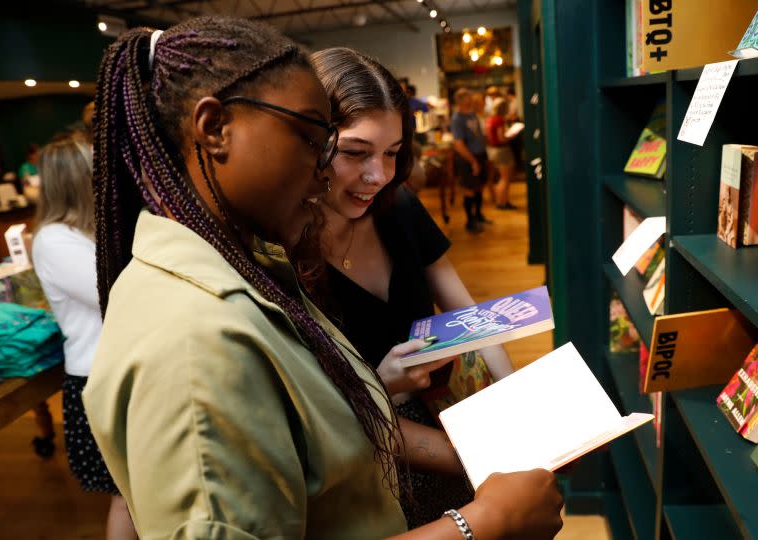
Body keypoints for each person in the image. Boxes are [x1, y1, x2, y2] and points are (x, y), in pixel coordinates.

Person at [83, 16, 562, 539]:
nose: (326, 171)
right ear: (215, 128)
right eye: (317, 142)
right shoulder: (196, 340)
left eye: (392, 154)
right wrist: (482, 521)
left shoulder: (252, 265)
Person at [311, 47, 518, 528]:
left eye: (393, 153)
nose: (378, 176)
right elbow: (320, 419)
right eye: (355, 153)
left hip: (453, 421)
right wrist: (382, 387)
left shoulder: (397, 206)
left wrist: (514, 401)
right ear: (310, 143)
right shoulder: (281, 256)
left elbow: (466, 313)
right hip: (375, 464)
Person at [30, 137, 137, 540]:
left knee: (140, 490)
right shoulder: (53, 240)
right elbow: (114, 291)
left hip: (119, 370)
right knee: (127, 495)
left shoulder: (87, 232)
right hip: (97, 377)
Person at [451, 88, 490, 233]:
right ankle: (470, 221)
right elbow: (458, 144)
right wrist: (472, 161)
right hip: (468, 158)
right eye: (468, 98)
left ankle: (479, 215)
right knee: (469, 190)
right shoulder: (457, 119)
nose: (471, 100)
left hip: (480, 154)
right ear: (462, 101)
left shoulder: (472, 114)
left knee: (479, 186)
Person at [485, 98, 518, 210]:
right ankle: (501, 203)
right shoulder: (499, 120)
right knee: (505, 178)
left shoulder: (490, 119)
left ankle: (503, 201)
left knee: (501, 178)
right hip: (502, 150)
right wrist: (512, 135)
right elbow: (501, 138)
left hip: (492, 150)